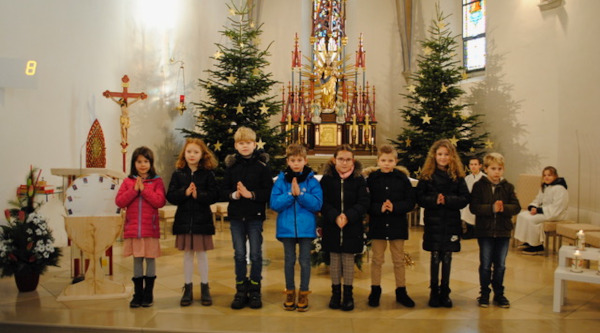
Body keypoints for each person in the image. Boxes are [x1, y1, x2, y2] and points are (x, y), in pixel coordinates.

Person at [222, 127, 273, 310]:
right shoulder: (231, 166)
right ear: (236, 145)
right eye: (241, 143)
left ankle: (255, 288)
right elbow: (223, 189)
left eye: (248, 143)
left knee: (255, 254)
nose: (245, 146)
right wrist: (235, 194)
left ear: (254, 144)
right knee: (239, 254)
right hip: (236, 216)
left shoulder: (262, 166)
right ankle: (240, 288)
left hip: (254, 216)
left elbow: (268, 192)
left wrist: (250, 194)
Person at [416, 139, 469, 308]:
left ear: (452, 156)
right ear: (434, 156)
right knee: (434, 255)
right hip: (433, 221)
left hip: (451, 221)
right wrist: (434, 199)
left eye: (446, 154)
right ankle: (434, 291)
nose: (443, 158)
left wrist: (447, 200)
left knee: (447, 256)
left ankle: (445, 291)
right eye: (440, 154)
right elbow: (420, 197)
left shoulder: (458, 176)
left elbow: (464, 198)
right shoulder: (427, 175)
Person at [166, 138, 219, 307]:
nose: (192, 155)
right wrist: (185, 192)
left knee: (202, 255)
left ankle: (205, 287)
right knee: (188, 255)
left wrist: (199, 195)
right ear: (184, 153)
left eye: (196, 152)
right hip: (184, 221)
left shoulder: (208, 173)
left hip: (201, 221)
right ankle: (187, 288)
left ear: (203, 154)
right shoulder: (178, 173)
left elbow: (214, 195)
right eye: (189, 151)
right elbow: (171, 196)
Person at [270, 144, 323, 312]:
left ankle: (304, 292)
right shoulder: (280, 181)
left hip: (306, 228)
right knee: (289, 261)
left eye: (299, 160)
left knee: (305, 261)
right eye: (293, 160)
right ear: (287, 161)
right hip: (286, 228)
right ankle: (290, 291)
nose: (296, 163)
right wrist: (290, 194)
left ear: (305, 161)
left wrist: (300, 194)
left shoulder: (312, 181)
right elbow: (274, 204)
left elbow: (317, 204)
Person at [364, 144, 416, 308]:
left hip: (397, 225)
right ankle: (375, 290)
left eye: (390, 160)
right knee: (377, 260)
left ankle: (401, 291)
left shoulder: (402, 179)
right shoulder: (371, 179)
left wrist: (396, 207)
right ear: (378, 161)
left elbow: (410, 201)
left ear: (396, 161)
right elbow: (366, 202)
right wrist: (378, 207)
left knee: (399, 260)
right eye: (383, 160)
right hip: (378, 225)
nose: (386, 163)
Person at [320, 144, 370, 311]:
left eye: (348, 159)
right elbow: (323, 202)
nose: (344, 162)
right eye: (341, 159)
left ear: (353, 161)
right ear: (334, 160)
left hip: (352, 225)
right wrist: (335, 216)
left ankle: (348, 295)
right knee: (334, 260)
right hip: (332, 225)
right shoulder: (327, 179)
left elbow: (364, 202)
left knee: (348, 260)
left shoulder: (359, 179)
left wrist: (349, 215)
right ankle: (335, 294)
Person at [115, 146, 166, 308]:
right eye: (139, 161)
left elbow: (160, 201)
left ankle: (148, 294)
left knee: (150, 260)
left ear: (151, 163)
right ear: (134, 163)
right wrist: (134, 189)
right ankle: (138, 294)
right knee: (137, 260)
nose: (143, 165)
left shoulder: (156, 181)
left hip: (149, 229)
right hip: (133, 230)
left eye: (146, 161)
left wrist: (144, 191)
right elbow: (120, 201)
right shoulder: (128, 181)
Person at [469, 153, 521, 308]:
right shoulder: (479, 186)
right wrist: (491, 208)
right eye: (493, 168)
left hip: (503, 231)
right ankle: (484, 293)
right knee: (485, 264)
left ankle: (499, 294)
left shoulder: (508, 186)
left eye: (499, 169)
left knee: (500, 265)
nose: (496, 172)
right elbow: (474, 207)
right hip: (485, 231)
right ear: (485, 169)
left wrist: (503, 208)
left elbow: (516, 206)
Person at [514, 166, 569, 255]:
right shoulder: (545, 187)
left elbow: (557, 207)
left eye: (549, 175)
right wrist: (533, 207)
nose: (546, 177)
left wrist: (539, 210)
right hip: (545, 211)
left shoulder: (560, 189)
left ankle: (537, 246)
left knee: (531, 220)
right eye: (544, 175)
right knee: (522, 215)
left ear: (556, 176)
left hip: (556, 213)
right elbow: (537, 200)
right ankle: (529, 241)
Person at [461, 157, 486, 239]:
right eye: (471, 164)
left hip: (481, 201)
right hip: (469, 200)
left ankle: (478, 230)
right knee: (465, 207)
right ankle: (469, 229)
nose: (473, 166)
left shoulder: (484, 178)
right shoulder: (467, 178)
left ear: (480, 166)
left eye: (475, 164)